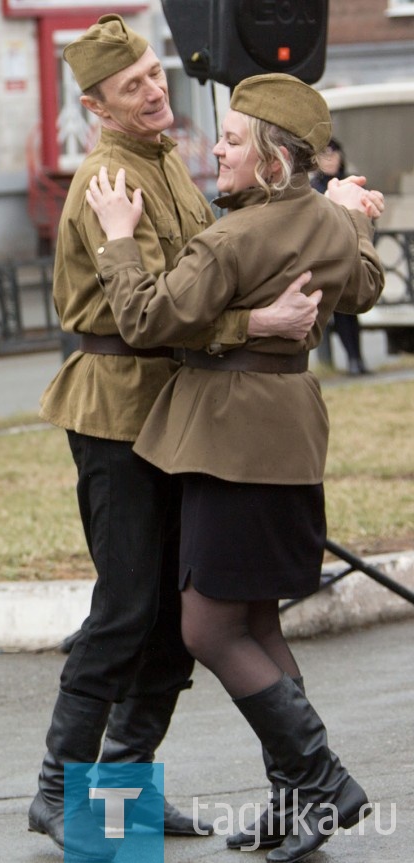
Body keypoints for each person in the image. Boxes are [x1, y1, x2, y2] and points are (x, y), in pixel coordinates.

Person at [30, 15, 320, 856]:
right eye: (133, 88)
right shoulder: (106, 181)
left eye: (156, 74)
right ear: (96, 106)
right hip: (117, 412)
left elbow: (211, 261)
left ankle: (121, 792)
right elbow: (151, 312)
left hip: (171, 410)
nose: (156, 91)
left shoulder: (163, 163)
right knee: (125, 609)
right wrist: (254, 320)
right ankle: (58, 787)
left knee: (170, 615)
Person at [86, 72, 384, 863]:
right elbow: (363, 286)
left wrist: (118, 234)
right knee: (254, 620)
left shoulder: (232, 238)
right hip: (285, 434)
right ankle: (297, 801)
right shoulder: (321, 217)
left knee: (209, 626)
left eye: (232, 139)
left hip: (231, 442)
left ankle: (323, 780)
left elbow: (145, 317)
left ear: (272, 162)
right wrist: (350, 217)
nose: (214, 147)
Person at [310, 138, 370, 375]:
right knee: (330, 312)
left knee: (350, 311)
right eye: (325, 155)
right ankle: (341, 362)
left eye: (334, 154)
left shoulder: (351, 183)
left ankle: (356, 359)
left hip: (349, 256)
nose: (331, 159)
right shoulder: (314, 189)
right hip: (326, 259)